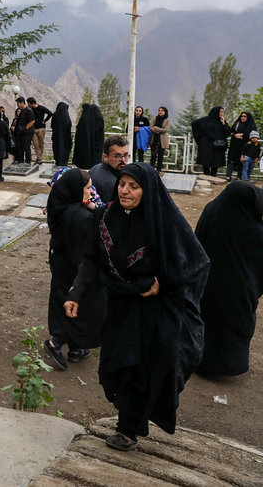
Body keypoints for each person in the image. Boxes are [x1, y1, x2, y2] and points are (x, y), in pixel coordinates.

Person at [64, 163, 209, 451]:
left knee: (149, 368)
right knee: (120, 363)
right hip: (122, 305)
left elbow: (197, 262)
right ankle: (128, 422)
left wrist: (163, 283)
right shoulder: (105, 217)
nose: (125, 191)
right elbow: (92, 260)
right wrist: (75, 293)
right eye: (122, 184)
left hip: (157, 310)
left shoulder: (163, 222)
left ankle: (128, 429)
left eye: (133, 186)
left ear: (147, 190)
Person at [194, 181, 263, 377]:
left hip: (207, 287)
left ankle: (201, 363)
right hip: (239, 294)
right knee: (231, 333)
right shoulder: (255, 229)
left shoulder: (211, 211)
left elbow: (196, 243)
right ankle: (230, 367)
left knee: (206, 325)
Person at [41, 169, 105, 371]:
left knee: (63, 299)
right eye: (87, 189)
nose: (90, 193)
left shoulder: (60, 205)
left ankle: (77, 346)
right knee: (77, 303)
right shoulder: (80, 216)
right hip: (75, 266)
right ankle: (56, 343)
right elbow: (86, 247)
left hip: (61, 261)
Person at [89, 135, 130, 203]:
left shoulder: (96, 167)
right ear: (105, 157)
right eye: (117, 156)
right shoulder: (111, 184)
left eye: (125, 155)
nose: (123, 160)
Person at [191, 106, 228, 177]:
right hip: (206, 144)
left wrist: (224, 123)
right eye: (221, 112)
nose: (222, 113)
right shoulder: (205, 120)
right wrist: (199, 138)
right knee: (206, 160)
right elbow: (194, 124)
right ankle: (206, 175)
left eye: (222, 112)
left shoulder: (221, 121)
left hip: (217, 144)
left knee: (216, 160)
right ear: (216, 111)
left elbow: (227, 132)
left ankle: (213, 176)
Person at [72, 103, 105, 170]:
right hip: (97, 145)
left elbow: (80, 131)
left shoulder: (84, 119)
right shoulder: (99, 119)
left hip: (84, 146)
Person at [225, 111, 256, 181]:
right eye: (242, 116)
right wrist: (235, 135)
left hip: (244, 146)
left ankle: (239, 176)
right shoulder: (237, 123)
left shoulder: (251, 125)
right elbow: (231, 131)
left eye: (245, 116)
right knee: (231, 160)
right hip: (234, 145)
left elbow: (252, 134)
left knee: (241, 161)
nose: (243, 118)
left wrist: (242, 135)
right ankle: (228, 176)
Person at [27, 98, 52, 164]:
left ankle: (39, 158)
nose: (28, 105)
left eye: (29, 104)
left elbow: (50, 113)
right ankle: (39, 158)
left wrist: (45, 121)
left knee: (41, 144)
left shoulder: (41, 108)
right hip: (34, 129)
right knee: (35, 144)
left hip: (41, 128)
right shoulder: (30, 110)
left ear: (32, 103)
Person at [50, 102, 72, 167]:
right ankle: (64, 162)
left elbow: (52, 125)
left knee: (57, 148)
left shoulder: (55, 115)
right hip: (66, 137)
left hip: (56, 136)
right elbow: (69, 125)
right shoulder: (66, 116)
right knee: (65, 149)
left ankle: (58, 162)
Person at [149, 106, 170, 173]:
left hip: (162, 141)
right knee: (153, 156)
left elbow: (165, 130)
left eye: (162, 111)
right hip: (154, 139)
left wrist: (156, 129)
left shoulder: (167, 120)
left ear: (165, 112)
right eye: (159, 110)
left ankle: (158, 170)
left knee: (160, 157)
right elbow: (151, 127)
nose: (160, 112)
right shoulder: (155, 118)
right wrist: (157, 130)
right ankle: (151, 170)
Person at [14, 97, 35, 164]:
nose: (17, 105)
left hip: (27, 133)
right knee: (20, 147)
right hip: (21, 133)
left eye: (18, 103)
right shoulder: (22, 110)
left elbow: (32, 121)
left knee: (26, 147)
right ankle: (21, 160)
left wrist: (25, 128)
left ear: (22, 103)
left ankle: (28, 161)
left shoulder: (29, 110)